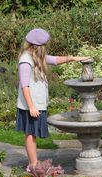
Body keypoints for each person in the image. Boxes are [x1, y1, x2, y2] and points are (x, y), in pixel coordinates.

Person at [16, 28, 88, 167]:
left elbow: (54, 60)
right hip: (31, 105)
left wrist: (73, 58)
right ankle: (33, 165)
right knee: (31, 134)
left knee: (33, 134)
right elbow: (25, 86)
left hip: (36, 103)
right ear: (39, 46)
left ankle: (34, 163)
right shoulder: (25, 60)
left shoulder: (36, 56)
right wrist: (31, 106)